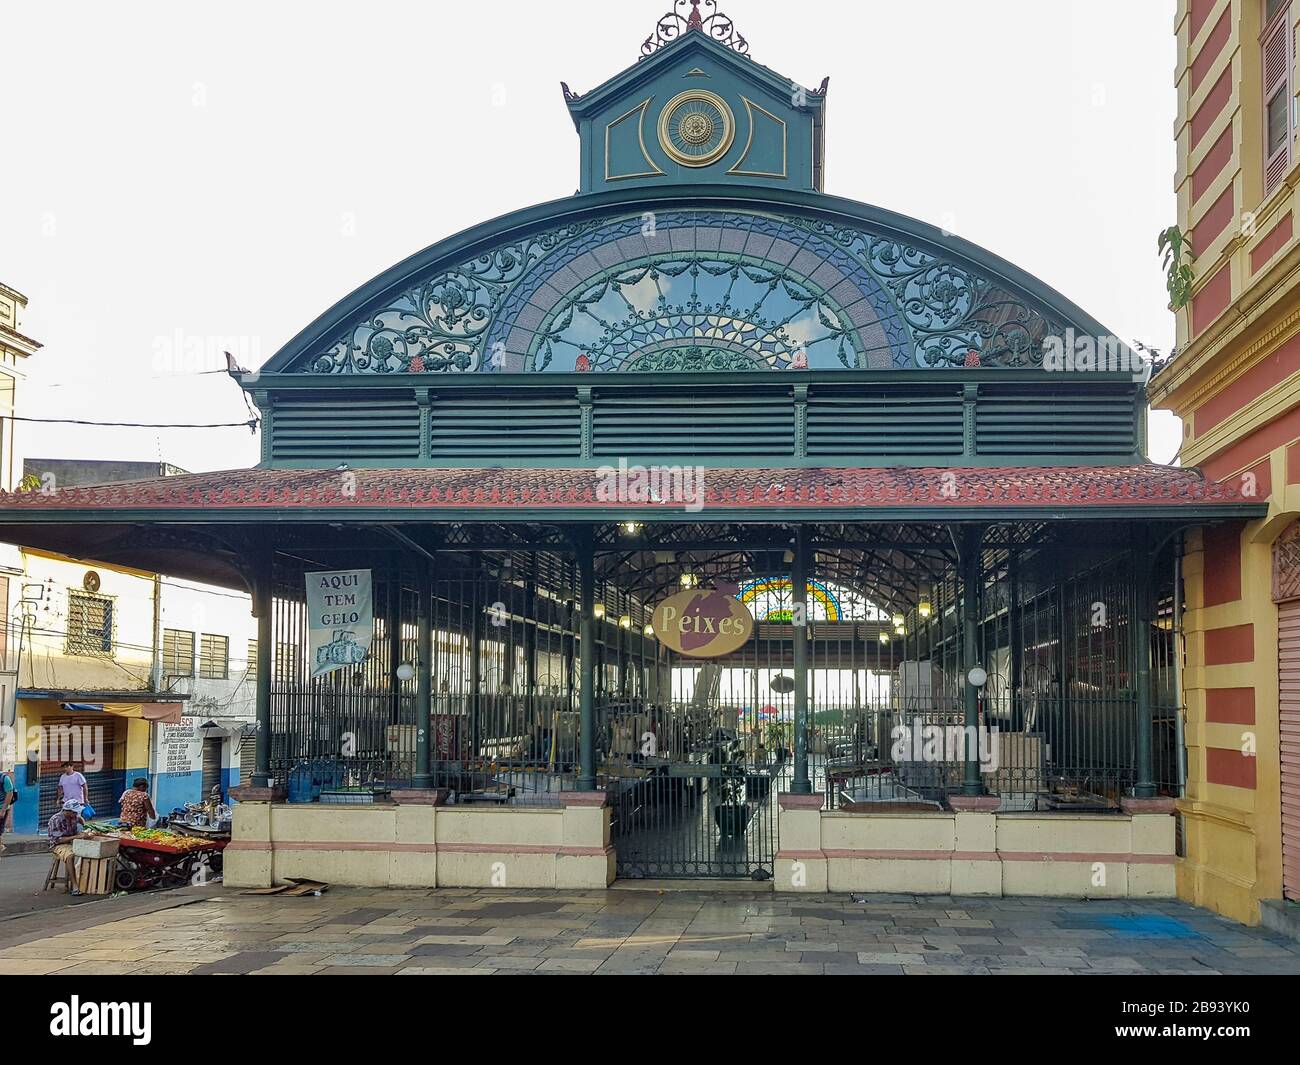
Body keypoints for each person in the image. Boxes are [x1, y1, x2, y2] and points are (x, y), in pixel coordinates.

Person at [47, 799, 85, 895]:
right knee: (70, 856)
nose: (76, 814)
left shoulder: (75, 817)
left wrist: (84, 827)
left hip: (72, 842)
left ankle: (85, 882)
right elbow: (57, 840)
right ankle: (75, 886)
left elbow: (80, 825)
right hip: (58, 845)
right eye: (75, 812)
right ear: (68, 811)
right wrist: (76, 837)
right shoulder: (56, 820)